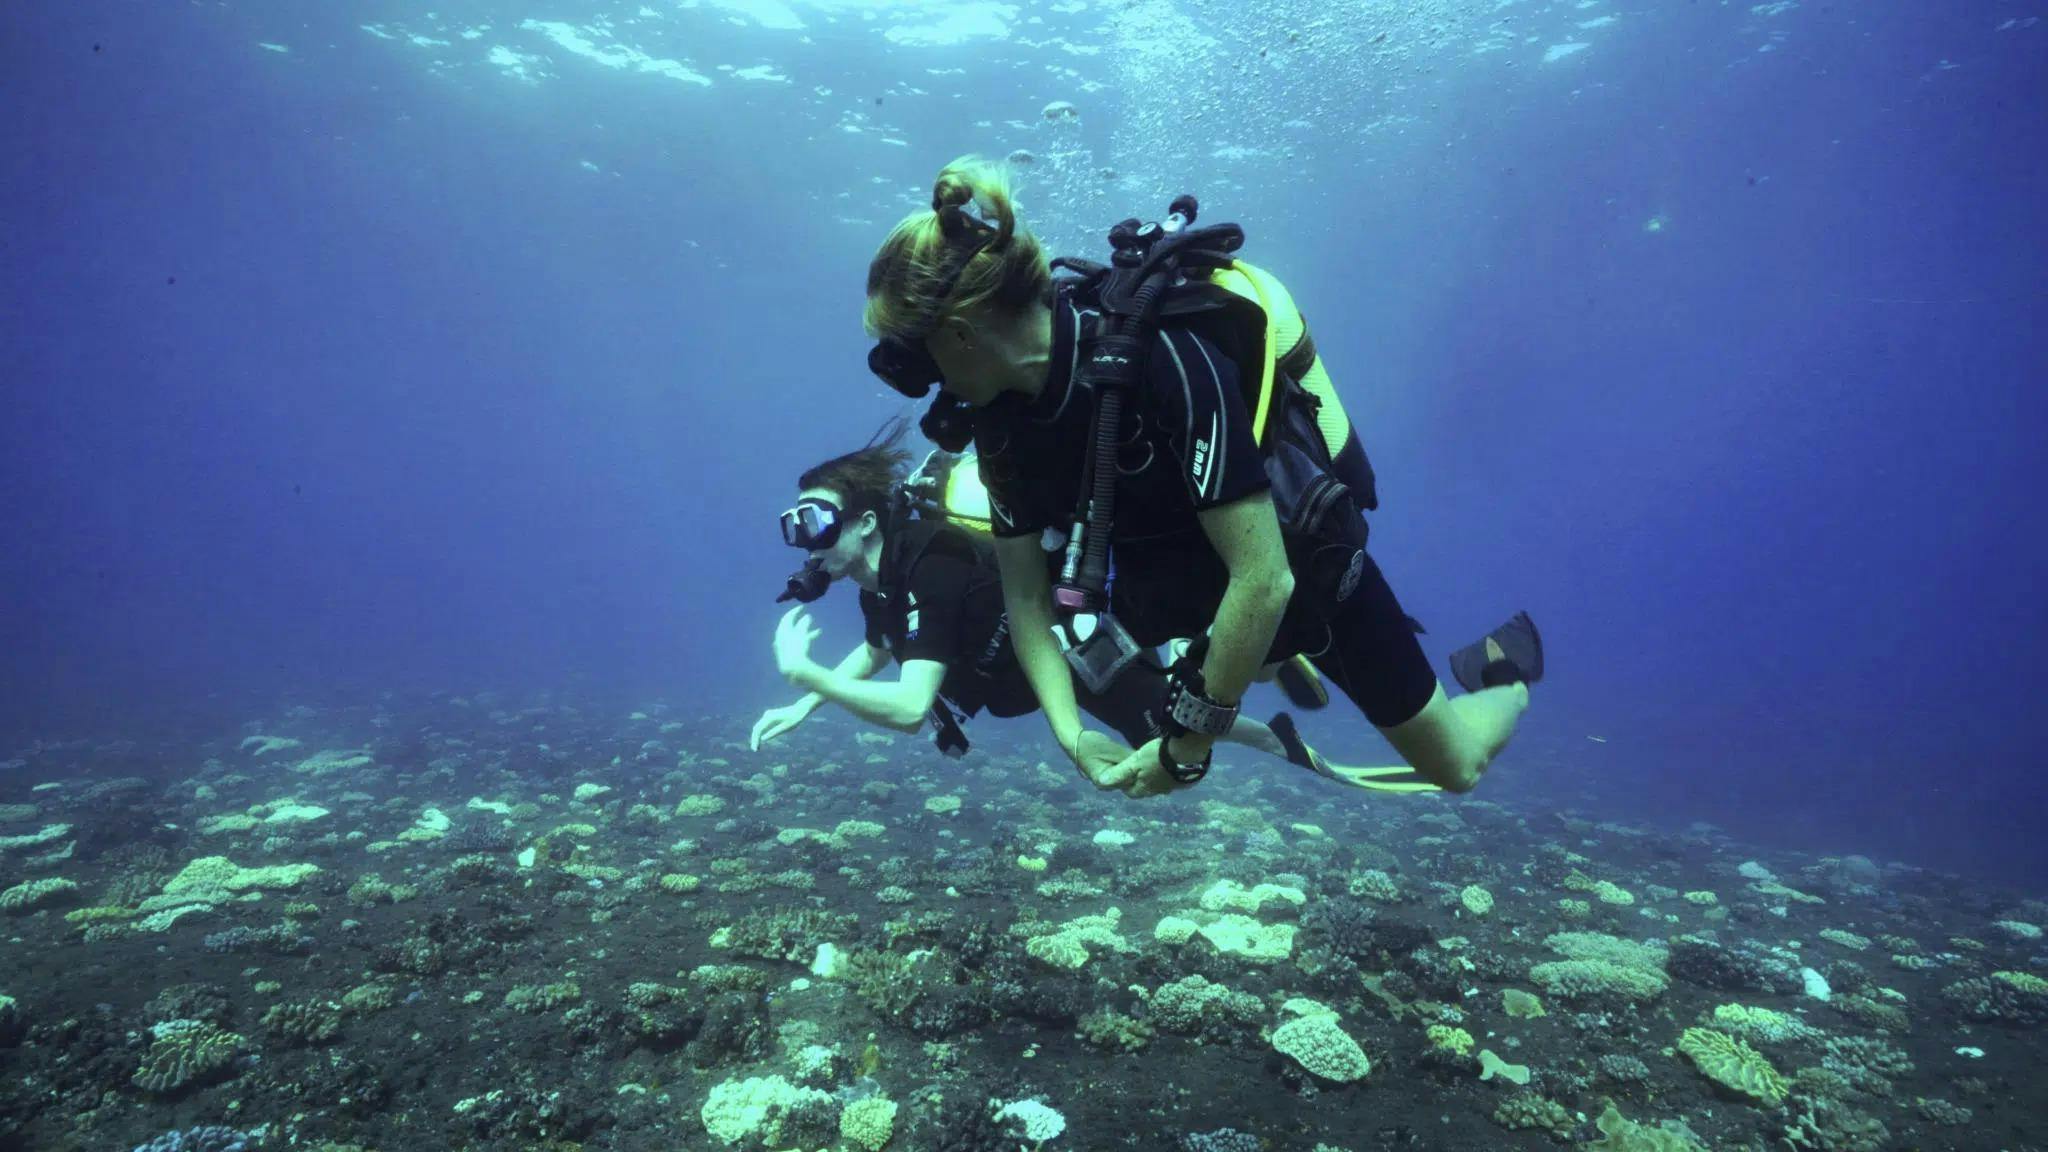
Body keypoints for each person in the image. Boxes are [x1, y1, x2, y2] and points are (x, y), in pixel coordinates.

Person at [860, 156, 1543, 800]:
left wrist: (1186, 747)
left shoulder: (1162, 363)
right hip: (1193, 605)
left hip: (1305, 579)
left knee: (1456, 768)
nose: (925, 386)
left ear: (959, 334)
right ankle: (1262, 663)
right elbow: (1028, 601)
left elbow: (1265, 578)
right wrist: (1074, 735)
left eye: (910, 361)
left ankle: (1504, 671)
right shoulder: (1001, 429)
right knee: (1233, 644)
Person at [751, 419, 1439, 794]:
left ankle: (1286, 711)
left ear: (867, 523)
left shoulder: (927, 566)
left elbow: (907, 708)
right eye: (793, 527)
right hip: (1040, 665)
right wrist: (805, 704)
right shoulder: (881, 582)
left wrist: (806, 677)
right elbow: (879, 647)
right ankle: (1272, 656)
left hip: (1081, 648)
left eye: (814, 522)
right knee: (1174, 711)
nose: (803, 544)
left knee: (1183, 723)